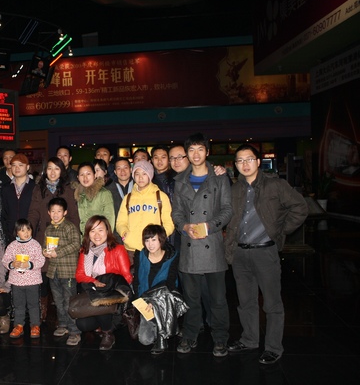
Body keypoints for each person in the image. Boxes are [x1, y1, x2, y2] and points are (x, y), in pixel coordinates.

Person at [225, 144, 308, 365]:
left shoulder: (275, 185)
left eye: (249, 159)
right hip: (240, 253)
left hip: (265, 252)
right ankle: (249, 339)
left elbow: (300, 207)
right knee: (245, 302)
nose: (245, 164)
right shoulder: (235, 189)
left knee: (272, 303)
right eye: (240, 160)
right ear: (235, 165)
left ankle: (273, 347)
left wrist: (281, 230)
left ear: (258, 162)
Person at [171, 133, 233, 357]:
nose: (196, 154)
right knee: (191, 299)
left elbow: (227, 210)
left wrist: (209, 226)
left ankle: (220, 338)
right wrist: (184, 226)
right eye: (191, 150)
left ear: (207, 152)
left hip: (212, 244)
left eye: (200, 149)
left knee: (218, 299)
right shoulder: (180, 181)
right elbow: (176, 212)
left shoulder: (219, 177)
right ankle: (190, 335)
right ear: (187, 154)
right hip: (189, 246)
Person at [28, 157, 80, 321]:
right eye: (49, 168)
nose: (52, 172)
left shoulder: (68, 189)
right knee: (44, 274)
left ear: (62, 171)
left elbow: (73, 215)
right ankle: (44, 307)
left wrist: (74, 235)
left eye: (56, 169)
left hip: (64, 237)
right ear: (45, 171)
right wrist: (28, 231)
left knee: (63, 279)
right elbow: (34, 212)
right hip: (44, 235)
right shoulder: (39, 188)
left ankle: (68, 317)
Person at [75, 215, 132, 350]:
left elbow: (127, 277)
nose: (96, 235)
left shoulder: (118, 249)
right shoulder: (85, 250)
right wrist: (94, 282)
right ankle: (102, 323)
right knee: (82, 324)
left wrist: (109, 288)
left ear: (107, 231)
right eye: (92, 231)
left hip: (113, 298)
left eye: (100, 230)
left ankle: (108, 334)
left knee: (103, 301)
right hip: (93, 293)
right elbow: (79, 275)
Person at [132, 224, 180, 354]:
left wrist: (154, 302)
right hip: (145, 301)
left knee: (162, 304)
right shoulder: (140, 254)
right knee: (145, 340)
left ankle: (162, 333)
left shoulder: (172, 256)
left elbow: (170, 283)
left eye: (154, 239)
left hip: (163, 300)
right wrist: (140, 301)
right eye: (147, 240)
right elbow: (136, 281)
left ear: (161, 239)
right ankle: (160, 325)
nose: (150, 244)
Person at [115, 160, 174, 261]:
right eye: (137, 174)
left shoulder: (160, 196)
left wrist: (158, 239)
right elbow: (120, 222)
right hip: (132, 249)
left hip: (154, 249)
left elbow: (169, 223)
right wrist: (125, 234)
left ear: (150, 175)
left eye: (144, 174)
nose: (140, 177)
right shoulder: (128, 198)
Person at [43, 197, 81, 346]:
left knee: (69, 302)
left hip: (68, 271)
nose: (56, 214)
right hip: (53, 271)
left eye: (59, 211)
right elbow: (46, 246)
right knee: (58, 302)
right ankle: (63, 325)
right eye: (53, 211)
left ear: (65, 212)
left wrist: (57, 253)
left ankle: (74, 331)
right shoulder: (49, 229)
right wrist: (44, 252)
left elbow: (76, 244)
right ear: (48, 212)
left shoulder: (70, 227)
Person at [2, 219, 46, 339]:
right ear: (17, 232)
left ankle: (35, 325)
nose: (26, 232)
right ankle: (18, 325)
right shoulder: (12, 246)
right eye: (22, 230)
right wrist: (12, 264)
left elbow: (41, 260)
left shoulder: (35, 244)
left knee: (33, 305)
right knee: (18, 305)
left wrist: (30, 264)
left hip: (33, 281)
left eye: (28, 229)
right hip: (16, 281)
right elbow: (5, 260)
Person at [1, 153, 36, 246]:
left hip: (31, 234)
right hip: (11, 235)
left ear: (27, 167)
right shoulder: (6, 188)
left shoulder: (35, 187)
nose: (17, 168)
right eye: (14, 165)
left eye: (20, 165)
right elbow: (4, 213)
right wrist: (7, 231)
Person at [73, 162, 115, 235]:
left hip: (100, 237)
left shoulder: (104, 193)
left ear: (95, 175)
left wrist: (106, 236)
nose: (85, 178)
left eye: (88, 174)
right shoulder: (79, 195)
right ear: (78, 177)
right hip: (85, 238)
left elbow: (110, 218)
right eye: (82, 175)